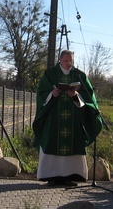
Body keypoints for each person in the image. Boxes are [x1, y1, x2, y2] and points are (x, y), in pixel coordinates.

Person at [32, 49, 103, 187]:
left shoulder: (79, 75)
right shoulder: (50, 74)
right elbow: (41, 93)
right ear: (60, 60)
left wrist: (75, 96)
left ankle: (69, 175)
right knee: (51, 141)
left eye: (71, 61)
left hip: (73, 119)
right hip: (54, 118)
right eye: (66, 61)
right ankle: (51, 176)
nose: (68, 63)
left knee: (74, 142)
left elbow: (89, 97)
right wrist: (53, 94)